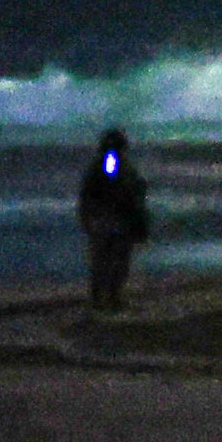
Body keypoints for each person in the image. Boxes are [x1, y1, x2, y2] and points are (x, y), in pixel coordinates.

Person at [75, 128, 151, 314]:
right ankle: (108, 299)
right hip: (114, 219)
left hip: (107, 219)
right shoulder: (112, 162)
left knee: (104, 261)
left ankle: (104, 299)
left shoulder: (107, 162)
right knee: (112, 260)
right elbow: (115, 188)